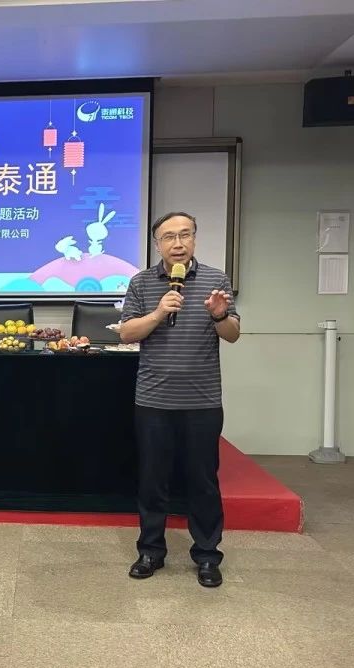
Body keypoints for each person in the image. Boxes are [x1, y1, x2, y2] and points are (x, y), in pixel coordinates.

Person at [118, 212, 240, 588]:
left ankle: (207, 555)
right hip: (153, 399)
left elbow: (233, 334)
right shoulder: (141, 282)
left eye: (185, 235)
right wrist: (158, 312)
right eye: (169, 237)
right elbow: (126, 333)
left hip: (202, 400)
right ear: (157, 245)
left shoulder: (216, 279)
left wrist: (220, 315)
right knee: (152, 479)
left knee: (203, 480)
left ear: (194, 239)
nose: (178, 243)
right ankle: (151, 550)